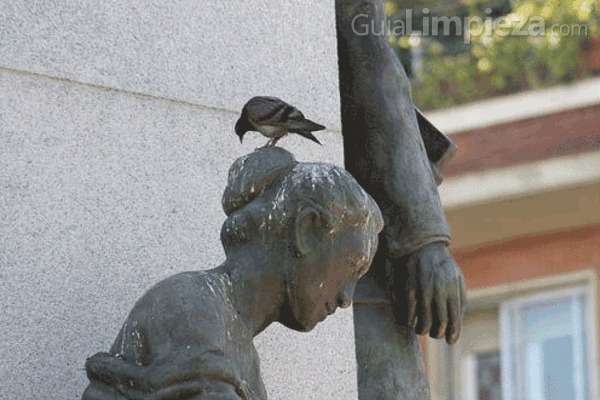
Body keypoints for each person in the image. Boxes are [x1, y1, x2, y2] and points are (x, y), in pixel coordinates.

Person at [82, 146, 384, 400]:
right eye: (351, 266)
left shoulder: (241, 350)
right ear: (306, 230)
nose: (347, 297)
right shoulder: (191, 303)